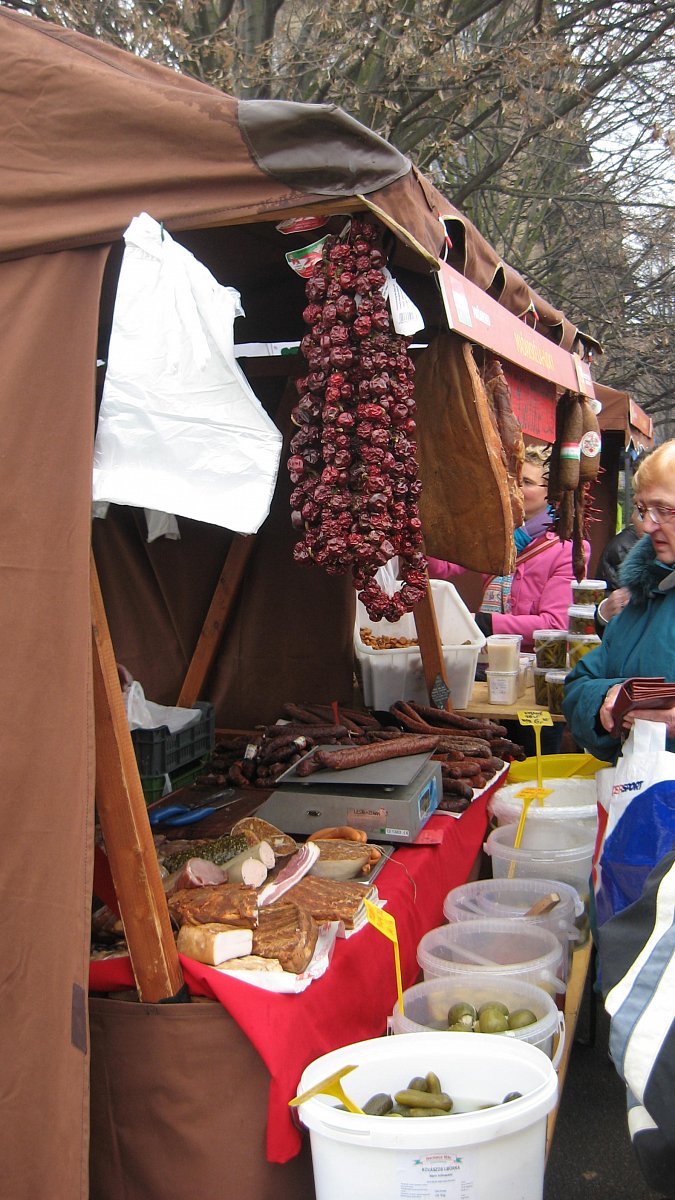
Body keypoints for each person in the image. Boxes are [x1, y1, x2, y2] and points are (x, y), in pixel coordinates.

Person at [562, 439, 675, 761]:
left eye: (662, 510)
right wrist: (605, 701)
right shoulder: (644, 596)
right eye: (642, 509)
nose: (648, 525)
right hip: (636, 796)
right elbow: (579, 684)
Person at [428, 444, 590, 652]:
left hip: (533, 665)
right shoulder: (496, 535)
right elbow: (441, 566)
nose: (516, 488)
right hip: (487, 658)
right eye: (512, 481)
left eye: (527, 483)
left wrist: (485, 623)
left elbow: (555, 624)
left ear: (552, 493)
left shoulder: (566, 549)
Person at [594, 508, 641, 636]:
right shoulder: (623, 548)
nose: (634, 518)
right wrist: (603, 615)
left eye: (662, 510)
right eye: (641, 510)